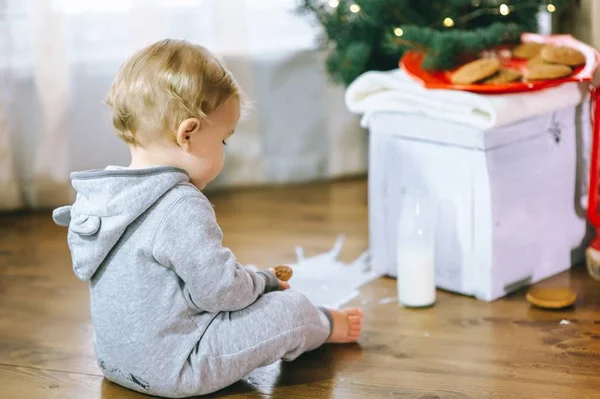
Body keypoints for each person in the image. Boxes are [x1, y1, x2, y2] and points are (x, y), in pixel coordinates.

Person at [52, 38, 363, 398]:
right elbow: (221, 293)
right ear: (188, 134)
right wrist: (265, 281)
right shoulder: (179, 204)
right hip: (177, 369)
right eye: (223, 141)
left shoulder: (106, 199)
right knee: (289, 309)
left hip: (116, 363)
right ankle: (326, 325)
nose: (224, 152)